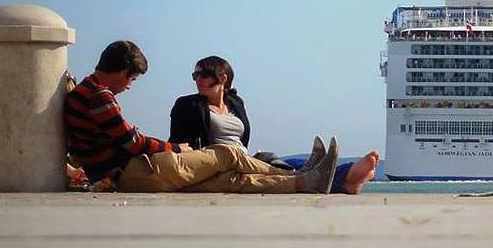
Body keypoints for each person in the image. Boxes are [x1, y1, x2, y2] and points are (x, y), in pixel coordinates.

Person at [65, 40, 338, 194]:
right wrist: (175, 148)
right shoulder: (99, 95)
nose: (129, 86)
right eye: (132, 79)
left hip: (130, 174)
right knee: (227, 154)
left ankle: (305, 181)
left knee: (231, 182)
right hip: (133, 171)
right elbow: (132, 142)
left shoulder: (86, 92)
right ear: (121, 70)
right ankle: (299, 173)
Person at [169, 55, 379, 194]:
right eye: (194, 75)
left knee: (278, 161)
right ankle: (347, 175)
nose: (197, 79)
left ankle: (345, 181)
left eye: (203, 74)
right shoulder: (188, 105)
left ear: (222, 77)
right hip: (219, 162)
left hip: (244, 159)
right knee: (279, 170)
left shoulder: (236, 103)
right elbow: (182, 147)